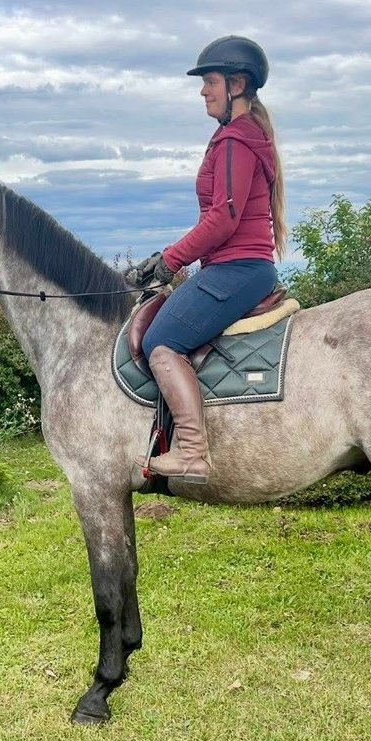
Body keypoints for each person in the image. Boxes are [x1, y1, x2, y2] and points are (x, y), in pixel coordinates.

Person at [127, 35, 287, 484]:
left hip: (237, 269)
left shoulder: (236, 140)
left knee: (162, 343)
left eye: (210, 82)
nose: (203, 91)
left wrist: (170, 261)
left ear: (237, 84)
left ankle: (193, 453)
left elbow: (224, 218)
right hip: (239, 267)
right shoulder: (241, 137)